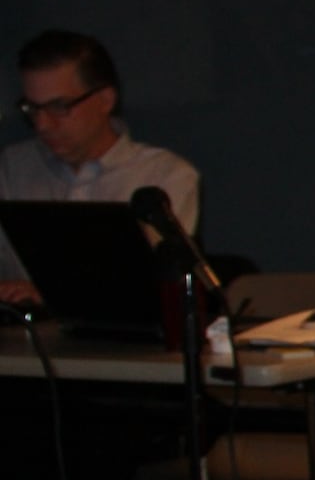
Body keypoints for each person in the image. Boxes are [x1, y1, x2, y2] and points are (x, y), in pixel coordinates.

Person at [0, 30, 200, 304]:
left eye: (59, 106)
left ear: (105, 100)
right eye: (31, 108)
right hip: (22, 340)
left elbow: (148, 287)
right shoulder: (11, 168)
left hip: (124, 340)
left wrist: (49, 294)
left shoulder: (165, 176)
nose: (42, 124)